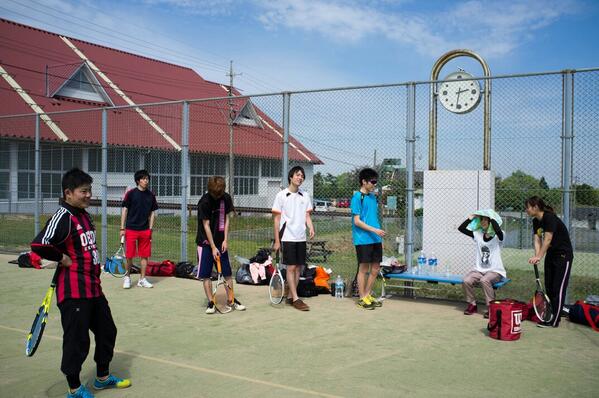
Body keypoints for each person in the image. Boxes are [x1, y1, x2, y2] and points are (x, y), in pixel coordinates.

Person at [31, 168, 130, 398]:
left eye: (89, 190)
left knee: (107, 331)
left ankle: (103, 377)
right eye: (83, 191)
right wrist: (61, 257)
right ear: (68, 193)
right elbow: (40, 244)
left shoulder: (84, 215)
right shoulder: (62, 216)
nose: (88, 195)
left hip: (93, 289)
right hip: (73, 292)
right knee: (77, 341)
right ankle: (74, 389)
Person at [196, 176, 246, 314]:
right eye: (216, 194)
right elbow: (205, 225)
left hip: (220, 242)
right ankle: (211, 302)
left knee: (227, 273)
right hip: (205, 243)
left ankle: (231, 299)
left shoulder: (226, 198)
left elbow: (226, 219)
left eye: (220, 193)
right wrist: (212, 247)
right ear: (210, 191)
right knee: (206, 275)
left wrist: (225, 240)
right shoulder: (204, 202)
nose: (218, 197)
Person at [525, 196, 573, 328]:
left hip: (563, 256)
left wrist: (539, 256)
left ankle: (554, 320)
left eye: (527, 207)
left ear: (535, 207)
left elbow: (548, 239)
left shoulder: (549, 217)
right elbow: (537, 240)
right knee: (550, 288)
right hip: (551, 256)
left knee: (558, 289)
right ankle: (550, 316)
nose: (526, 210)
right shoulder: (536, 221)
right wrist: (537, 256)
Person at [272, 165, 315, 311]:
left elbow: (307, 215)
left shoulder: (305, 195)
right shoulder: (281, 196)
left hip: (300, 237)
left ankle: (291, 295)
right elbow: (277, 220)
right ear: (291, 177)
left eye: (302, 175)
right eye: (297, 175)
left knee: (298, 268)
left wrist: (311, 226)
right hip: (287, 237)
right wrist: (277, 240)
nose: (300, 177)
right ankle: (296, 298)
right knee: (291, 267)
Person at [457, 210, 506, 318]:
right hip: (479, 270)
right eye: (481, 219)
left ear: (491, 221)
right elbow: (461, 229)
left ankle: (491, 307)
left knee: (485, 280)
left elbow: (497, 230)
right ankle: (472, 304)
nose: (483, 221)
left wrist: (492, 217)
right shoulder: (478, 234)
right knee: (466, 280)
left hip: (495, 271)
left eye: (485, 219)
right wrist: (471, 218)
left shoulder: (499, 236)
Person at [350, 168, 386, 310]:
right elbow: (357, 221)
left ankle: (367, 294)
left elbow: (374, 219)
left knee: (375, 268)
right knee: (363, 268)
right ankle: (362, 298)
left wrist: (379, 237)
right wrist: (374, 230)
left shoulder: (372, 197)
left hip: (375, 239)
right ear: (364, 182)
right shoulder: (357, 198)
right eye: (372, 182)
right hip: (363, 239)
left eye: (376, 182)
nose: (374, 185)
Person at [120, 169, 158, 289]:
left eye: (147, 179)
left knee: (144, 255)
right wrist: (122, 228)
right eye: (143, 179)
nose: (146, 181)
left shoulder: (151, 195)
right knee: (129, 255)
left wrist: (150, 229)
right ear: (138, 181)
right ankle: (127, 277)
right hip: (131, 229)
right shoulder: (130, 194)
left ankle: (142, 279)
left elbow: (152, 213)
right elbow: (125, 210)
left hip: (145, 230)